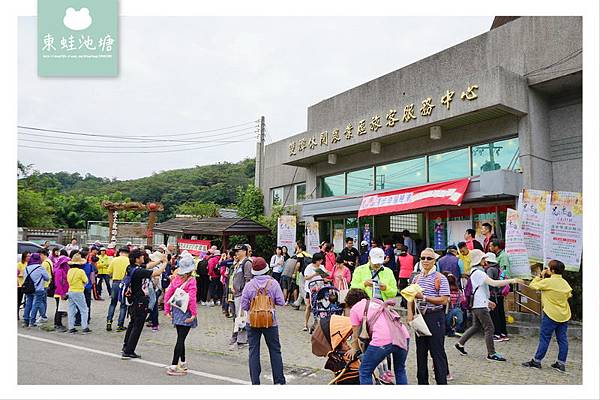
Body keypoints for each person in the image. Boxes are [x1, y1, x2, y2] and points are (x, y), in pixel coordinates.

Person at [454, 249, 523, 362]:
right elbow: (494, 283)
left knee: (476, 326)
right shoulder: (479, 273)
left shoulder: (474, 272)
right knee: (489, 328)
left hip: (477, 304)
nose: (485, 261)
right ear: (479, 260)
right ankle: (491, 353)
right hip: (480, 305)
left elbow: (480, 290)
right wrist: (512, 280)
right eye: (483, 258)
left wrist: (487, 301)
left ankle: (460, 343)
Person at [344, 288, 410, 385]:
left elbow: (356, 334)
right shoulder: (377, 302)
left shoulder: (355, 309)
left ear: (350, 303)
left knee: (365, 370)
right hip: (403, 335)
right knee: (400, 370)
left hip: (383, 340)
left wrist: (354, 349)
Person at [407, 248, 450, 385]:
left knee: (437, 352)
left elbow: (444, 300)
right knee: (420, 352)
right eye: (423, 258)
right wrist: (410, 314)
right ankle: (422, 383)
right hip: (420, 317)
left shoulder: (440, 277)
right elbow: (410, 297)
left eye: (429, 258)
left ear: (434, 260)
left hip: (435, 316)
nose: (425, 261)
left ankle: (441, 382)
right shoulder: (417, 277)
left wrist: (424, 297)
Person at [240, 257, 286, 385]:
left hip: (252, 321)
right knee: (275, 350)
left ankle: (255, 382)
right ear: (266, 269)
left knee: (253, 350)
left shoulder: (249, 285)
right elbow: (281, 302)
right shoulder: (273, 283)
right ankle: (279, 382)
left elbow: (244, 306)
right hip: (270, 321)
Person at [521, 260, 572, 372]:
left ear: (552, 270)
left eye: (548, 268)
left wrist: (540, 275)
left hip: (550, 314)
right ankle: (561, 363)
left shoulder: (548, 282)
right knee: (562, 339)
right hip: (564, 314)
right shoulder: (565, 283)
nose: (547, 270)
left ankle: (537, 361)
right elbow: (569, 295)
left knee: (545, 338)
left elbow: (532, 285)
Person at [122, 249, 167, 359]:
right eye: (141, 256)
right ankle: (129, 350)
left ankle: (126, 346)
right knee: (137, 326)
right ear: (137, 259)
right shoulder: (138, 271)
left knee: (132, 323)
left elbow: (148, 266)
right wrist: (165, 263)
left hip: (133, 300)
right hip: (140, 300)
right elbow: (156, 272)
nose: (143, 258)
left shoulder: (131, 268)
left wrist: (159, 261)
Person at [164, 254, 198, 376]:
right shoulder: (192, 281)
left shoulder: (176, 279)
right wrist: (194, 314)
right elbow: (192, 299)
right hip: (187, 311)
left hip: (176, 311)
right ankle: (173, 365)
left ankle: (183, 362)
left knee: (180, 337)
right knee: (180, 339)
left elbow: (168, 294)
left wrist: (167, 310)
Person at [229, 244, 253, 350]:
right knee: (238, 317)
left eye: (238, 251)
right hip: (237, 294)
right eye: (236, 251)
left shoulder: (247, 263)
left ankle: (242, 339)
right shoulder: (239, 263)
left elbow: (248, 279)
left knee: (242, 317)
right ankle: (239, 338)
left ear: (244, 251)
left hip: (242, 294)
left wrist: (245, 294)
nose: (236, 253)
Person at [484, 252, 509, 341]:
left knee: (494, 315)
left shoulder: (490, 269)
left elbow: (489, 282)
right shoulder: (497, 268)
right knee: (501, 313)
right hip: (499, 294)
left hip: (493, 295)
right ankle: (503, 333)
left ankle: (497, 333)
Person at [22, 253, 50, 328]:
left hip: (28, 289)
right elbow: (47, 278)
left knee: (28, 304)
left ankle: (25, 320)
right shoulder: (40, 268)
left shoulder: (27, 268)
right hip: (38, 289)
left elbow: (24, 278)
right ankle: (32, 321)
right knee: (36, 304)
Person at [106, 247, 130, 332]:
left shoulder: (114, 260)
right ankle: (120, 324)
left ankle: (109, 321)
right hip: (124, 284)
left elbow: (109, 272)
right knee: (123, 305)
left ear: (120, 252)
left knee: (113, 303)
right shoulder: (129, 261)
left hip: (115, 283)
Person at [66, 253, 90, 334]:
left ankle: (71, 327)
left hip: (70, 291)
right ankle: (84, 327)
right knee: (84, 310)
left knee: (71, 310)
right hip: (79, 291)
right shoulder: (81, 271)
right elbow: (86, 281)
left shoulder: (69, 271)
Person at [302, 253, 327, 331]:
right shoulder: (309, 267)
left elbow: (325, 276)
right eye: (320, 260)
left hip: (320, 288)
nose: (321, 262)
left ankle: (318, 322)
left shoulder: (322, 267)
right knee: (309, 305)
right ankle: (305, 324)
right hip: (310, 289)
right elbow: (306, 277)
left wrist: (325, 277)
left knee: (321, 305)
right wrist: (314, 274)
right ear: (316, 261)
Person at [52, 255, 70, 332]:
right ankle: (57, 324)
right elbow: (58, 284)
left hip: (63, 292)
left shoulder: (64, 270)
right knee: (59, 309)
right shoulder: (59, 271)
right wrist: (62, 294)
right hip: (59, 293)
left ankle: (58, 323)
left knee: (61, 309)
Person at [291, 242, 312, 309]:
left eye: (297, 248)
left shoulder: (300, 255)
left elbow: (298, 265)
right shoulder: (309, 255)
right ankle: (297, 303)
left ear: (300, 248)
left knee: (302, 289)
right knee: (303, 288)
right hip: (308, 274)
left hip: (301, 274)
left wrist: (294, 273)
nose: (296, 249)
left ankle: (308, 304)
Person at [38, 248, 53, 324]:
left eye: (40, 255)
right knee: (44, 301)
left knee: (41, 300)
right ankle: (43, 314)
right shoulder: (49, 261)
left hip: (43, 284)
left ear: (42, 254)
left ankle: (43, 316)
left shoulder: (44, 263)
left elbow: (41, 274)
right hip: (48, 283)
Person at [17, 252, 31, 320]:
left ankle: (26, 315)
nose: (28, 257)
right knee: (18, 300)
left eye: (29, 256)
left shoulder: (30, 264)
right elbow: (17, 274)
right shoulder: (20, 264)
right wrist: (22, 275)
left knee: (27, 300)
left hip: (28, 285)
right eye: (27, 256)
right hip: (20, 284)